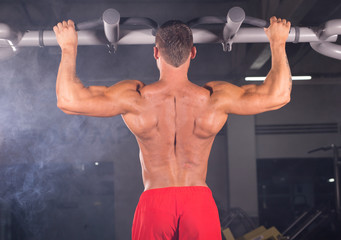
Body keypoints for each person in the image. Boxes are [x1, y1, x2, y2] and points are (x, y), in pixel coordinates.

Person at [53, 16, 291, 240]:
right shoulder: (214, 98)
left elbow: (68, 100)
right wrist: (278, 42)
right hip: (198, 199)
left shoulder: (135, 98)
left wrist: (68, 48)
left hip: (155, 199)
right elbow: (278, 95)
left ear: (155, 52)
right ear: (193, 52)